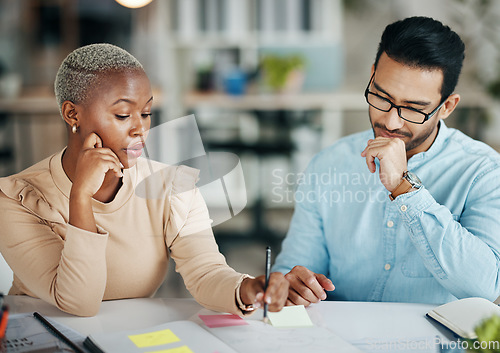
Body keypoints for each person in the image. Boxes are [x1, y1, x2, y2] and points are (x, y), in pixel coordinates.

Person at [0, 43, 288, 317]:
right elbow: (78, 302)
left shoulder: (171, 186)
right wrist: (80, 197)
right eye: (123, 114)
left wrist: (249, 289)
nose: (140, 128)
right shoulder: (16, 198)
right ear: (72, 114)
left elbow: (206, 273)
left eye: (147, 113)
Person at [273, 16, 500, 306]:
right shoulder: (328, 163)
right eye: (381, 97)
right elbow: (294, 269)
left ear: (446, 107)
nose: (391, 121)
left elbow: (485, 287)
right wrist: (293, 284)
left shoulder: (484, 172)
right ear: (372, 77)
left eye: (413, 109)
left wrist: (405, 189)